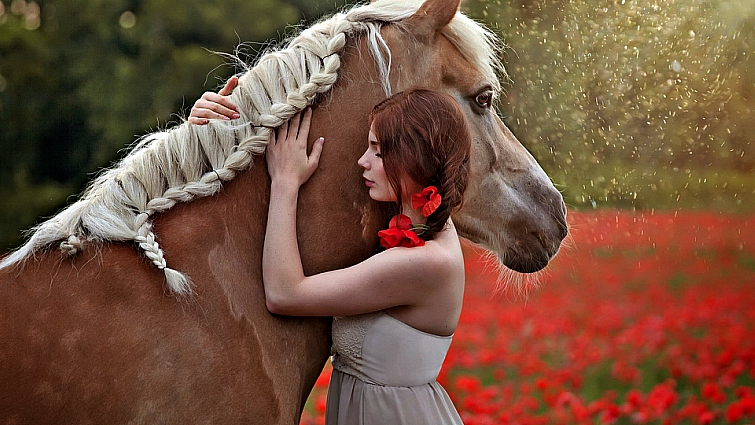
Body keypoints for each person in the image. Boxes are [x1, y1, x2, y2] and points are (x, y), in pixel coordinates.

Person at [190, 83, 471, 425]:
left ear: (417, 158)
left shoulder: (425, 262)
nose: (362, 161)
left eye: (378, 152)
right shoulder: (427, 227)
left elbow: (284, 294)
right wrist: (209, 130)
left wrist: (285, 182)